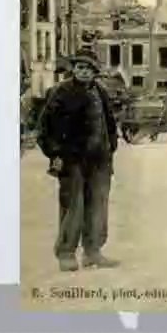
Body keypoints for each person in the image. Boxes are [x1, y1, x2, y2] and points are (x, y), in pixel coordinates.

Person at [37, 48, 121, 272]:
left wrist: (111, 145)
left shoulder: (100, 92)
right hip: (72, 160)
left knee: (97, 207)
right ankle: (66, 253)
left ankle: (93, 252)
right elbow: (44, 128)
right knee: (73, 207)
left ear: (95, 72)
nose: (83, 72)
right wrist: (55, 153)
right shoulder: (61, 92)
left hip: (99, 160)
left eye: (88, 68)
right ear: (73, 69)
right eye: (80, 67)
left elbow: (110, 123)